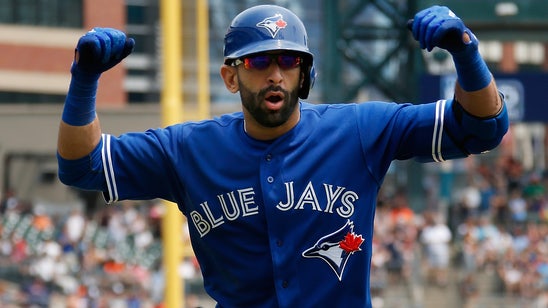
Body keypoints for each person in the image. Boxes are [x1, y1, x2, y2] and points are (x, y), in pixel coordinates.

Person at [57, 4, 508, 307]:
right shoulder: (188, 149)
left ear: (304, 73)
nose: (275, 74)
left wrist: (465, 52)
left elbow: (482, 127)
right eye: (258, 63)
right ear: (231, 78)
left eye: (289, 61)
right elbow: (82, 165)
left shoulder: (358, 129)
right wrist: (84, 81)